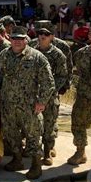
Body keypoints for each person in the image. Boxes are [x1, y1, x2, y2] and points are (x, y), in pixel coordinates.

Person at [0, 26, 55, 179]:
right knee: (11, 133)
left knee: (33, 135)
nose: (17, 41)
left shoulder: (37, 57)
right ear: (10, 39)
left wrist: (41, 102)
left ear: (26, 40)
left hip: (29, 106)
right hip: (8, 104)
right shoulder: (4, 55)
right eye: (14, 38)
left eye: (21, 39)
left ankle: (36, 164)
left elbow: (48, 82)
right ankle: (17, 160)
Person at [31, 23, 68, 166]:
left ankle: (47, 153)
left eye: (46, 34)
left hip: (50, 97)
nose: (42, 36)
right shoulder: (32, 52)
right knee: (33, 125)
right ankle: (35, 151)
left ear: (52, 37)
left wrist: (50, 90)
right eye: (40, 33)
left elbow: (62, 76)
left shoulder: (58, 54)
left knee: (48, 125)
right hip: (33, 95)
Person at [67, 23, 91, 165]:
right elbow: (76, 72)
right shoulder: (81, 54)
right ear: (89, 36)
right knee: (78, 123)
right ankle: (80, 152)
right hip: (84, 97)